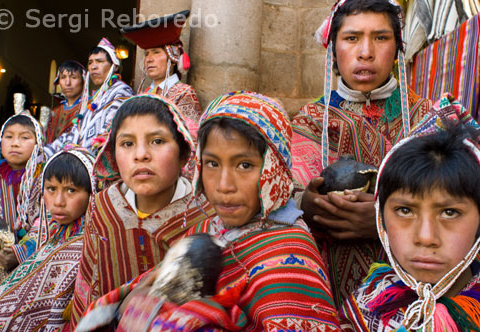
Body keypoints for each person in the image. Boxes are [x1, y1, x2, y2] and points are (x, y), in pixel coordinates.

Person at [77, 91, 341, 332]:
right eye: (212, 163)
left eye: (245, 165)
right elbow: (139, 293)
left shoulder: (290, 261)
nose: (224, 185)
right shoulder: (208, 229)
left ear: (274, 168)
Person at [291, 0, 435, 308]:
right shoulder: (310, 120)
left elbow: (458, 201)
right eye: (352, 38)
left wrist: (388, 220)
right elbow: (279, 194)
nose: (366, 52)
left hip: (413, 297)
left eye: (381, 38)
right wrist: (304, 203)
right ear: (333, 46)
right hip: (326, 296)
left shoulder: (428, 120)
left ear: (398, 47)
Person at [69, 94, 215, 329]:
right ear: (113, 157)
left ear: (184, 154)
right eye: (127, 144)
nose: (140, 155)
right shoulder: (103, 206)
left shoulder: (205, 216)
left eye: (157, 141)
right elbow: (88, 283)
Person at [340, 97, 480, 331]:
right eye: (405, 210)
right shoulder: (370, 301)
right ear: (381, 219)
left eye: (449, 212)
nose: (425, 237)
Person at [0, 147, 96, 331]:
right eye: (51, 189)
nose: (58, 201)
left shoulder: (94, 241)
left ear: (92, 193)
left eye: (71, 190)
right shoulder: (46, 225)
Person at [0, 113, 45, 301]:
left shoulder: (45, 182)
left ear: (38, 144)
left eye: (24, 137)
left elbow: (49, 221)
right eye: (8, 137)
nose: (14, 143)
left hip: (28, 270)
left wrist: (21, 252)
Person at [43, 38, 134, 157]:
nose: (93, 67)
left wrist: (81, 155)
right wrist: (44, 153)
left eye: (99, 61)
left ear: (114, 66)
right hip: (81, 162)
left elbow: (109, 131)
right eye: (90, 62)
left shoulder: (122, 92)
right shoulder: (95, 99)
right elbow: (73, 134)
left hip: (97, 165)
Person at [121, 10, 202, 139]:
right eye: (146, 54)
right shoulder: (144, 94)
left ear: (173, 58)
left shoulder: (184, 93)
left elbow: (191, 139)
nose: (149, 59)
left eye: (156, 52)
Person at [46, 60, 86, 144]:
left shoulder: (88, 108)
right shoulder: (55, 112)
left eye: (74, 77)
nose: (67, 83)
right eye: (63, 77)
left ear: (83, 81)